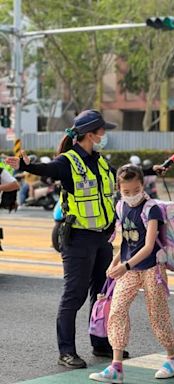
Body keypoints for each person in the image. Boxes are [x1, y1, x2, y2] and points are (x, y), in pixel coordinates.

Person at [5, 110, 133, 369]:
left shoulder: (99, 161)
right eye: (102, 131)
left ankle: (100, 343)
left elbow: (121, 176)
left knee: (101, 293)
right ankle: (66, 351)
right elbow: (47, 169)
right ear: (90, 134)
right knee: (74, 296)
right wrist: (25, 165)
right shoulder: (68, 161)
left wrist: (153, 169)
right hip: (78, 239)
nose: (105, 135)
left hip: (102, 238)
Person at [89, 165, 174, 383]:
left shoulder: (152, 209)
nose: (132, 195)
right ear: (119, 189)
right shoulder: (120, 206)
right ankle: (116, 366)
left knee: (157, 313)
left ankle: (173, 357)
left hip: (152, 268)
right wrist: (114, 264)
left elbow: (149, 246)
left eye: (136, 189)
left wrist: (125, 266)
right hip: (129, 267)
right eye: (126, 192)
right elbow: (126, 243)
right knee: (117, 310)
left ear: (143, 185)